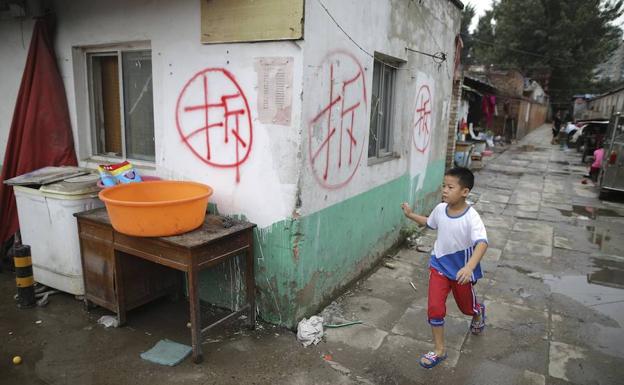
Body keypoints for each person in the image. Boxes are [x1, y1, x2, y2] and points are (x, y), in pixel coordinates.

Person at [401, 167, 488, 369]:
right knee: (434, 308)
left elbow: (482, 242)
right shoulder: (441, 209)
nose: (445, 190)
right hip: (438, 266)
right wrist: (411, 214)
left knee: (466, 308)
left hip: (460, 273)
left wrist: (469, 267)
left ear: (464, 191)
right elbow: (430, 223)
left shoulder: (471, 216)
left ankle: (478, 311)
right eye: (444, 186)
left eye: (450, 187)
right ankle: (439, 350)